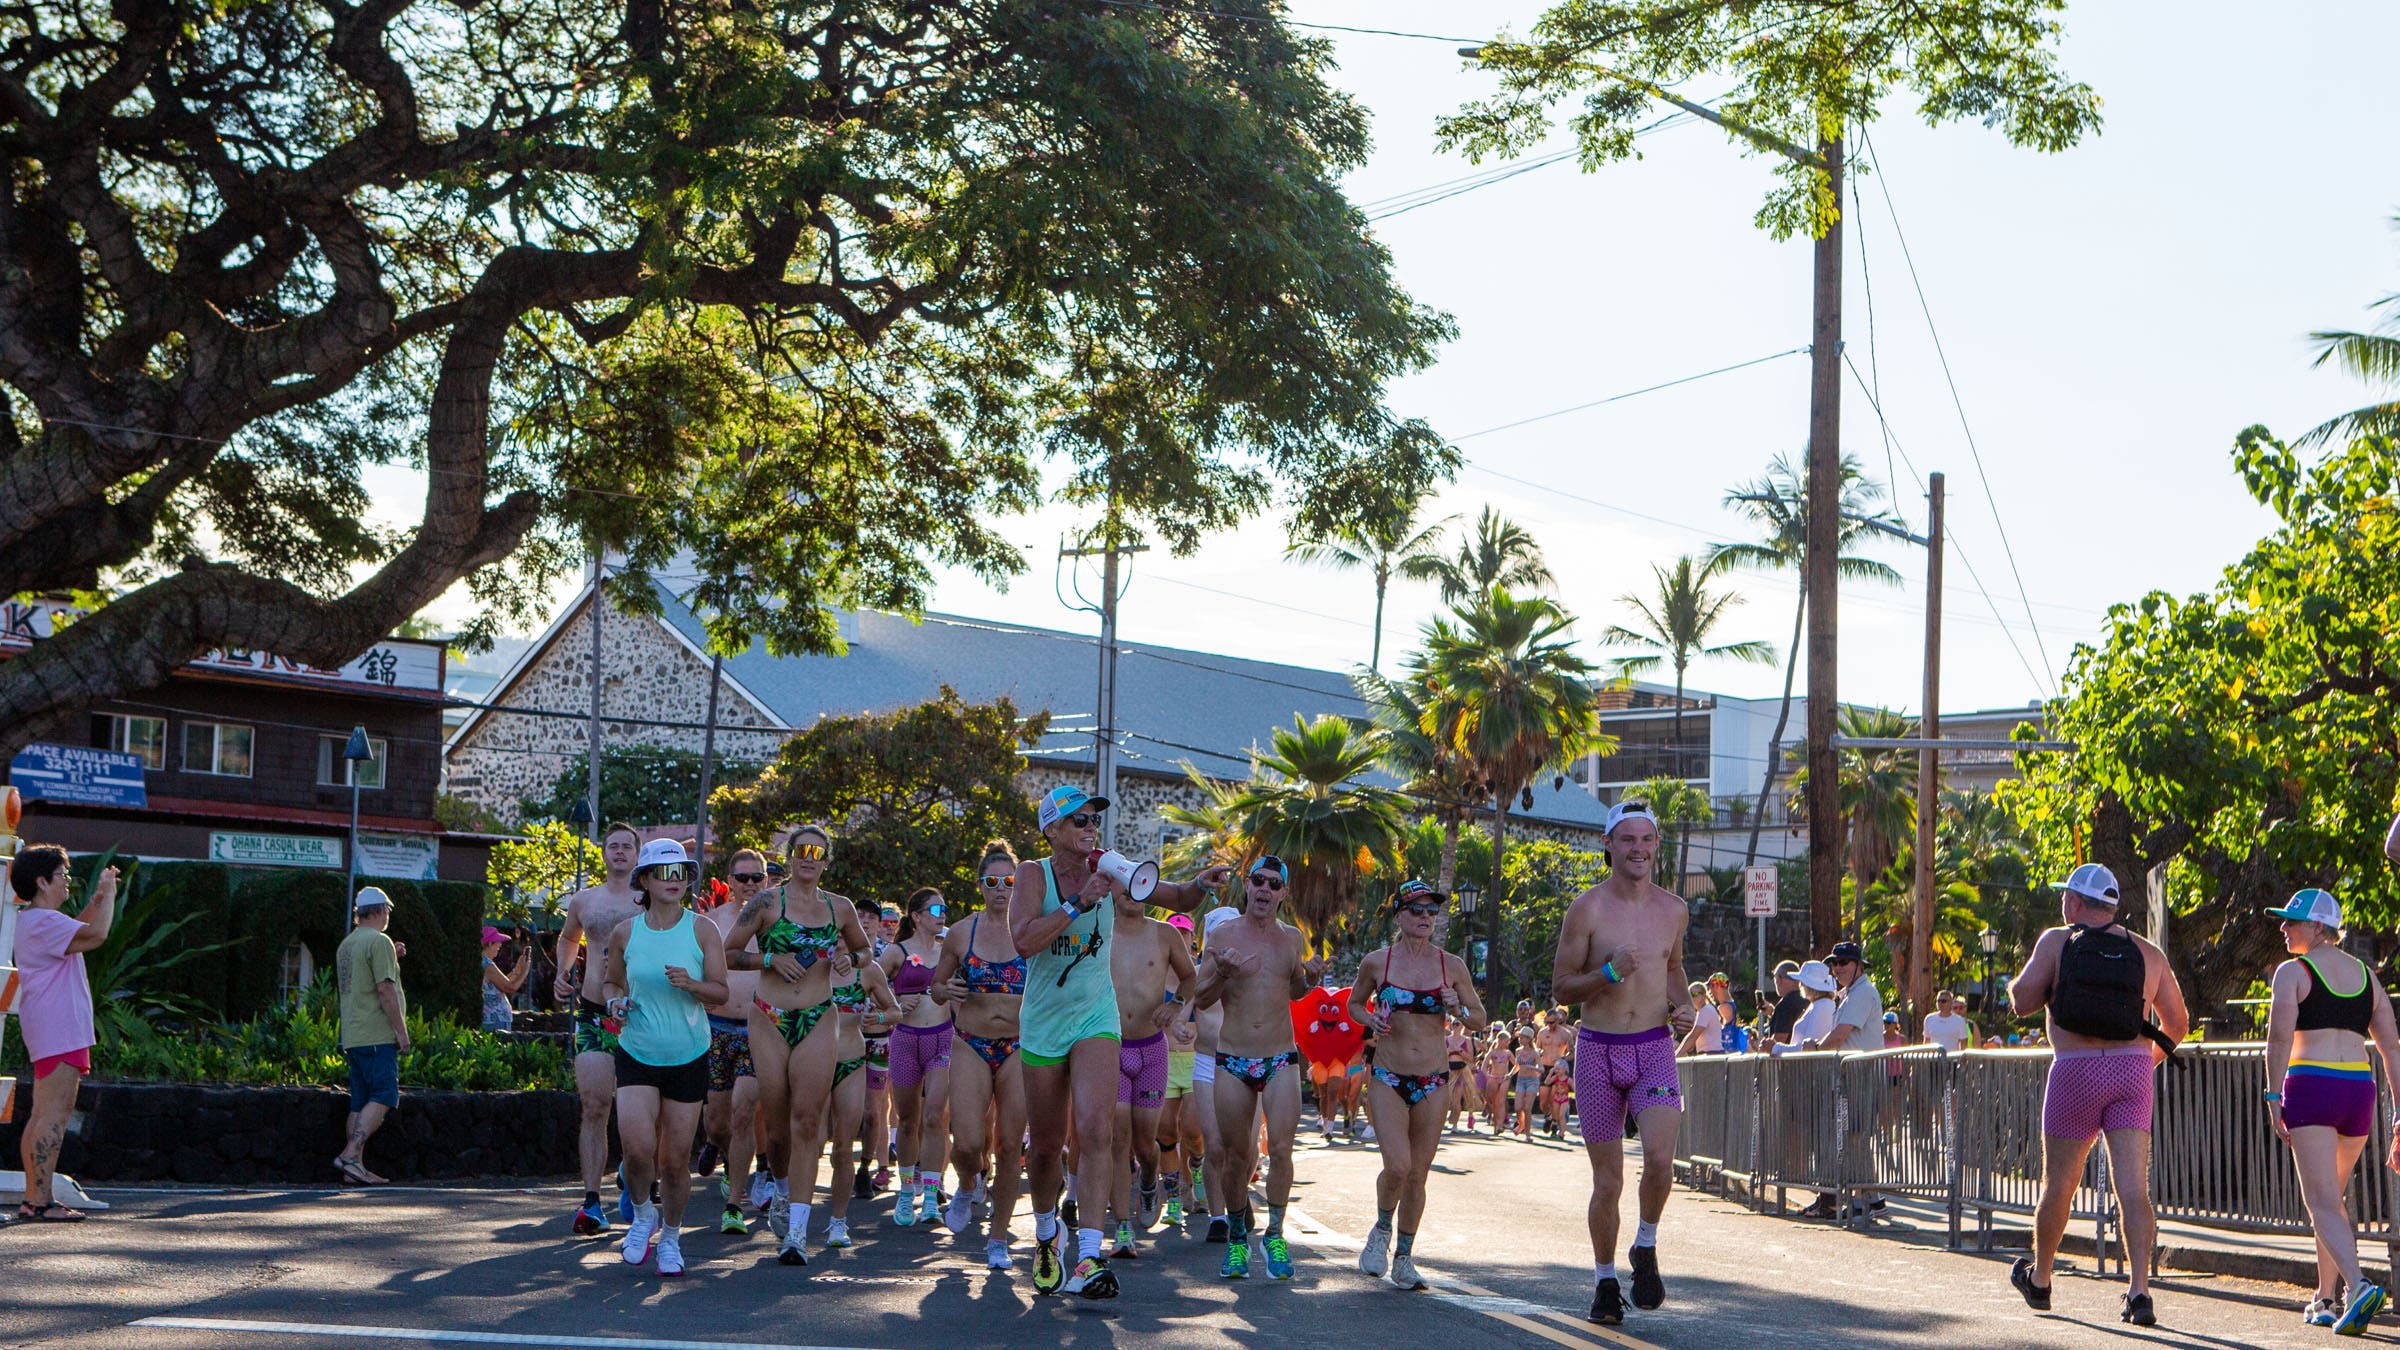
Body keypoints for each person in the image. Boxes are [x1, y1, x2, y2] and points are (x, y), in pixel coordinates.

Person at [1012, 784, 1228, 1300]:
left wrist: (1199, 884)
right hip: (1044, 1020)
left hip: (1095, 1016)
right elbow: (1024, 941)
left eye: (1094, 820)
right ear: (1053, 831)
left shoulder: (1111, 867)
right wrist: (1074, 903)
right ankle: (1047, 1233)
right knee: (1045, 1148)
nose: (1091, 828)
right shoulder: (1030, 875)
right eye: (1080, 821)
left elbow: (1172, 896)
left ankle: (1089, 1255)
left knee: (1096, 1129)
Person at [2006, 862, 2190, 1328]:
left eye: (2066, 897)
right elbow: (2178, 1024)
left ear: (2074, 902)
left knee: (2060, 1184)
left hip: (2073, 1071)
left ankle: (2042, 1278)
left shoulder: (2056, 941)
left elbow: (2021, 1001)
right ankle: (2140, 1292)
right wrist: (2142, 1064)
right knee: (2133, 1189)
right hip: (2132, 1072)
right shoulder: (2148, 953)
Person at [1550, 800, 1693, 1326]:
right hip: (1598, 1051)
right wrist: (1608, 973)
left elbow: (1673, 968)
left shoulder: (1674, 909)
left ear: (1657, 845)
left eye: (1646, 839)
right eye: (1627, 839)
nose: (1638, 848)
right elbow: (1562, 988)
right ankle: (1604, 1281)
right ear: (1608, 844)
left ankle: (1646, 1246)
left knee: (1659, 1159)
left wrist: (1685, 1005)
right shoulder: (1586, 909)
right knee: (1607, 1182)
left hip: (1654, 1047)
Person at [723, 824, 879, 1267]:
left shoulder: (840, 908)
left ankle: (796, 1232)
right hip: (770, 1017)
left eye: (817, 851)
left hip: (818, 1016)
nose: (809, 857)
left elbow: (866, 952)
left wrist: (852, 958)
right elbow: (728, 952)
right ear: (789, 857)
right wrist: (770, 959)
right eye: (801, 851)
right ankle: (780, 1183)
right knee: (776, 1127)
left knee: (808, 1121)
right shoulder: (766, 903)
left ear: (827, 860)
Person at [2263, 889, 2400, 1334]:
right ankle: (2326, 1298)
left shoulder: (2292, 972)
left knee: (2320, 1201)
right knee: (2332, 1202)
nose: (2284, 927)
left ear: (2318, 927)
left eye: (2292, 920)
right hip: (2358, 1091)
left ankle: (2359, 1285)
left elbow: (2279, 1038)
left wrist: (2272, 1096)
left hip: (2311, 1087)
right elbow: (2392, 1048)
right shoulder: (2366, 975)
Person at [1349, 879, 1486, 1291]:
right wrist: (1368, 1019)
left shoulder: (1451, 965)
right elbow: (1356, 1002)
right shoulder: (1378, 963)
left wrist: (1456, 1006)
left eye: (1431, 910)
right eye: (1416, 910)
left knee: (1419, 1175)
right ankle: (1380, 1229)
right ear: (1399, 916)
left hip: (1433, 1080)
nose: (1426, 917)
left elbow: (1478, 1017)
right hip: (1389, 1077)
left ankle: (1405, 1258)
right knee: (1398, 1166)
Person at [1195, 855, 1326, 1282]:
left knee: (1283, 1150)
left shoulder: (1292, 939)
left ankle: (1274, 1234)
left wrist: (1310, 977)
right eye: (1258, 881)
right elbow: (1199, 997)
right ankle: (1236, 1238)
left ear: (1284, 894)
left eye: (1274, 884)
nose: (1265, 890)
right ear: (1246, 887)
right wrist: (1222, 975)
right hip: (1232, 1059)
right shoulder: (1223, 933)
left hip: (1279, 1058)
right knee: (1236, 1157)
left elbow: (1294, 989)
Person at [600, 840, 728, 1276]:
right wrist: (614, 1002)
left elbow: (721, 992)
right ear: (646, 880)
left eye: (682, 874)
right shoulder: (625, 932)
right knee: (637, 1152)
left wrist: (692, 984)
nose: (675, 882)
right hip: (636, 1051)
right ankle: (642, 1216)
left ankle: (671, 1238)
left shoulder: (702, 929)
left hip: (687, 1054)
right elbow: (611, 983)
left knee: (674, 1162)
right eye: (665, 873)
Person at [929, 840, 1029, 1271]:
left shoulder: (1032, 930)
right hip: (969, 1040)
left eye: (1009, 881)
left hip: (1020, 1045)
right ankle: (968, 1183)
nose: (1001, 889)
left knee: (1010, 1146)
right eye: (993, 881)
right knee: (968, 1142)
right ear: (980, 885)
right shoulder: (961, 932)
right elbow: (936, 985)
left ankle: (999, 1236)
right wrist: (945, 990)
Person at [9, 848, 116, 1221]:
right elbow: (97, 935)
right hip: (59, 1028)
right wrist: (110, 893)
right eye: (61, 874)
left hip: (51, 1027)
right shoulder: (42, 921)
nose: (67, 879)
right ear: (42, 882)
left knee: (43, 1114)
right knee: (53, 1115)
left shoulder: (38, 921)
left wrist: (97, 900)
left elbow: (79, 932)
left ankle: (34, 1198)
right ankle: (39, 1202)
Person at [553, 822, 645, 1234]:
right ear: (603, 853)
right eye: (614, 846)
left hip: (642, 1016)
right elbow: (569, 938)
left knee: (639, 1115)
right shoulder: (584, 900)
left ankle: (632, 1172)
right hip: (594, 1012)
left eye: (628, 846)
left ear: (638, 856)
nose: (621, 852)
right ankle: (591, 1201)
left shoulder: (651, 901)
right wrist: (563, 971)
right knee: (594, 1105)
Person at [1105, 877, 1198, 1257]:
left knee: (1147, 1143)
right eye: (1122, 886)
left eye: (1137, 885)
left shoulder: (1164, 935)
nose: (1130, 893)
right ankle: (1123, 1230)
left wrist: (1175, 1004)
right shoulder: (1098, 932)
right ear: (1111, 890)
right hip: (1109, 1047)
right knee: (1117, 1140)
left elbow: (1192, 978)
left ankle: (1148, 1177)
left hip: (1151, 1048)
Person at [701, 847, 768, 1236]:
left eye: (756, 878)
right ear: (730, 880)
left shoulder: (774, 922)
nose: (748, 885)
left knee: (745, 1112)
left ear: (766, 879)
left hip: (759, 1029)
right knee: (720, 1120)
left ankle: (734, 1204)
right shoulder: (711, 923)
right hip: (717, 1027)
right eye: (741, 878)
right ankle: (715, 1142)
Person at [819, 941, 902, 1249]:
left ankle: (839, 1221)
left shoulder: (867, 970)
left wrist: (878, 1019)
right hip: (813, 1061)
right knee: (810, 1141)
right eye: (833, 933)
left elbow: (895, 1011)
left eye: (845, 933)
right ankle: (790, 1207)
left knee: (845, 1141)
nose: (839, 940)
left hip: (854, 1058)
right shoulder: (812, 966)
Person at [881, 886, 953, 1227]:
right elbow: (869, 984)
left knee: (935, 1117)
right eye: (936, 911)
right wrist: (893, 1006)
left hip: (943, 1038)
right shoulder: (897, 952)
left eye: (944, 911)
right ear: (917, 916)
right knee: (908, 1119)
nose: (942, 917)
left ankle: (932, 1198)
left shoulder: (949, 949)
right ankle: (906, 1193)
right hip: (906, 1039)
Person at [331, 885, 411, 1186]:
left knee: (360, 1101)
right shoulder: (380, 942)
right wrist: (401, 1033)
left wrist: (393, 955)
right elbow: (384, 989)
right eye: (388, 910)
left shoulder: (347, 944)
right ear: (379, 910)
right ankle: (351, 1155)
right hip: (378, 1035)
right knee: (385, 1096)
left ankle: (355, 1168)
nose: (389, 915)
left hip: (353, 1034)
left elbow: (363, 981)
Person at [1157, 912, 1200, 1226]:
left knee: (1194, 1131)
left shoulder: (1200, 977)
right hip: (1164, 1061)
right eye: (1174, 932)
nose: (1179, 938)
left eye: (1183, 933)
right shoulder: (1154, 976)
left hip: (1196, 1061)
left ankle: (1196, 1167)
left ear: (1192, 939)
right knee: (1166, 1133)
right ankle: (1173, 1197)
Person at [1771, 961, 1838, 1054]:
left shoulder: (1823, 1006)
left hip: (1810, 1067)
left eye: (1802, 982)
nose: (1800, 985)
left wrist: (1775, 1048)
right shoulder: (1818, 1004)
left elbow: (1809, 1048)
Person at [480, 925, 531, 1032]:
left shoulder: (484, 962)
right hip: (494, 1020)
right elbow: (510, 988)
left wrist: (517, 970)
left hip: (493, 1019)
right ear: (489, 943)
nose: (500, 946)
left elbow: (501, 983)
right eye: (497, 945)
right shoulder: (486, 964)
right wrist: (525, 971)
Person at [1766, 960, 1807, 1041]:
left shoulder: (1785, 1005)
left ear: (1779, 979)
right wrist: (1772, 1012)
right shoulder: (1808, 999)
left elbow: (1778, 1041)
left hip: (1787, 1052)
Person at [1923, 989, 1973, 1054]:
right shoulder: (1929, 1019)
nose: (1940, 1003)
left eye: (1943, 1001)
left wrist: (1962, 1061)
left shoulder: (1959, 1021)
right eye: (1938, 1001)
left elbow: (1963, 1044)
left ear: (1951, 1003)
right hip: (1933, 1060)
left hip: (1952, 1060)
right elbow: (1926, 1041)